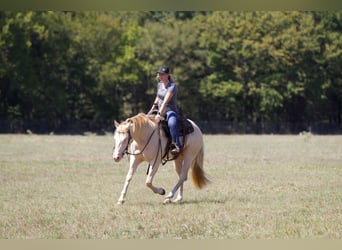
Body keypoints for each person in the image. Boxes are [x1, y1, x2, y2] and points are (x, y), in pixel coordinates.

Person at [148, 66, 182, 155]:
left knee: (172, 124)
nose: (160, 76)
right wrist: (152, 109)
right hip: (159, 109)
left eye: (162, 74)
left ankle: (176, 145)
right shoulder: (159, 84)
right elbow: (158, 97)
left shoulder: (172, 86)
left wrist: (159, 114)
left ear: (168, 75)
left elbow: (165, 102)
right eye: (159, 74)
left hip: (170, 111)